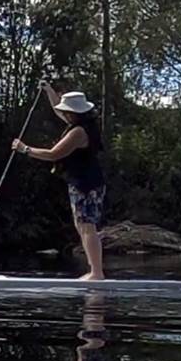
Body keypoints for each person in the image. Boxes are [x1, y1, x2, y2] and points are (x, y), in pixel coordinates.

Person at [12, 84, 105, 280]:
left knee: (87, 226)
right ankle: (94, 271)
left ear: (73, 113)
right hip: (83, 181)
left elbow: (53, 154)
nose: (64, 114)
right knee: (82, 225)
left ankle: (97, 273)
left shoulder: (79, 132)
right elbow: (58, 110)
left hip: (86, 183)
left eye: (66, 111)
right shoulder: (82, 123)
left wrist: (25, 149)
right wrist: (49, 91)